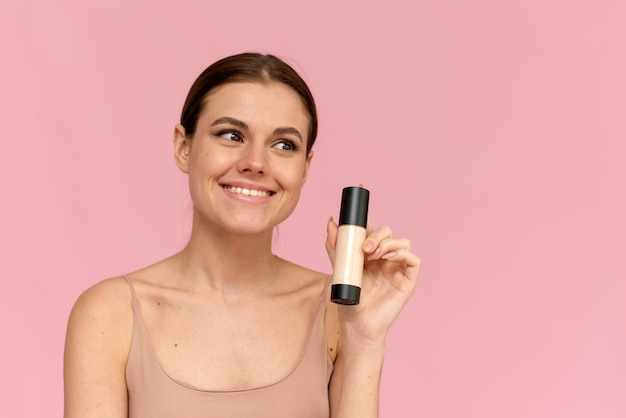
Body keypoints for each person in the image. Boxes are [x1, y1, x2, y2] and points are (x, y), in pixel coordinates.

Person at [63, 52, 421, 418]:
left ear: (305, 168)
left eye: (284, 145)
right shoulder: (109, 314)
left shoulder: (338, 312)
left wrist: (364, 339)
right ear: (183, 148)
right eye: (231, 135)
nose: (256, 163)